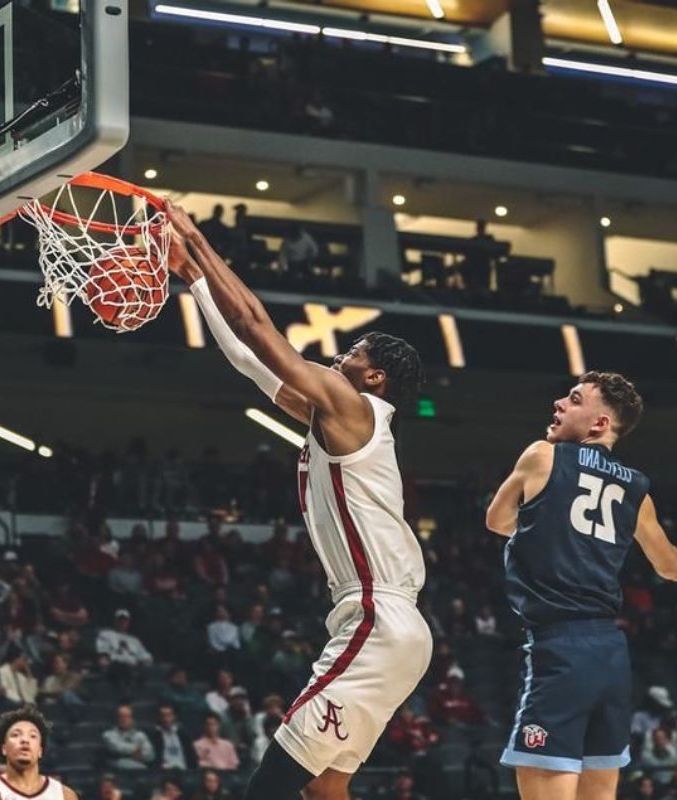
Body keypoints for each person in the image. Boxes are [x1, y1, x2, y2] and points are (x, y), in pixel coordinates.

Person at [166, 206, 433, 800]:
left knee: (272, 786)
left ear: (376, 378)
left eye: (354, 353)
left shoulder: (353, 407)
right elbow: (246, 358)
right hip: (391, 625)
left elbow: (260, 326)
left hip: (378, 618)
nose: (340, 357)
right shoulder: (338, 416)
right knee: (324, 790)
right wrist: (196, 284)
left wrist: (199, 246)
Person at [485, 372, 677, 800]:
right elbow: (667, 563)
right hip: (610, 653)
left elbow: (496, 520)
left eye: (575, 399)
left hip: (559, 648)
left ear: (599, 423)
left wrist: (544, 524)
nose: (559, 403)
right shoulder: (637, 488)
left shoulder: (543, 456)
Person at [0, 705, 77, 800]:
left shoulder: (64, 795)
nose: (25, 740)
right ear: (4, 749)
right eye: (16, 735)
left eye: (33, 736)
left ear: (40, 750)